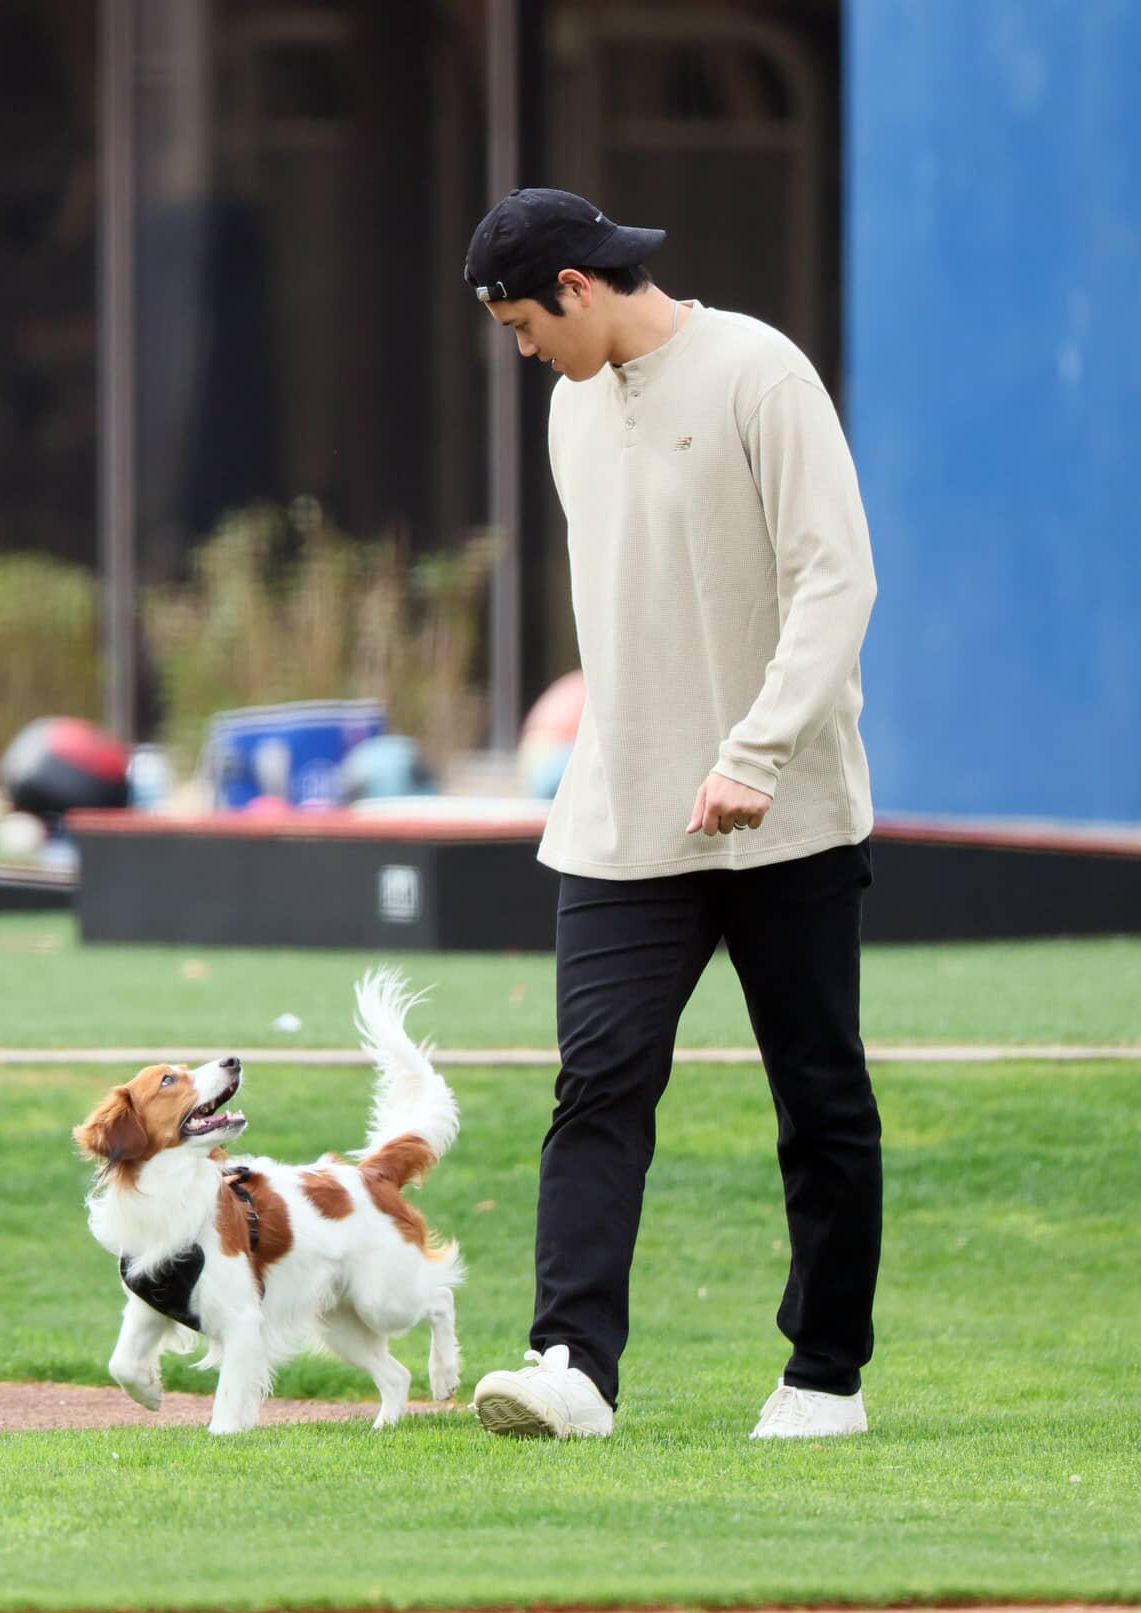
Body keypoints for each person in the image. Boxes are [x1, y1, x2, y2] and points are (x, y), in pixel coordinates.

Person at [464, 188, 883, 1441]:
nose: (524, 349)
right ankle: (570, 1366)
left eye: (524, 322)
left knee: (818, 1097)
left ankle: (822, 1378)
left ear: (578, 288)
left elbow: (836, 577)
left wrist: (755, 752)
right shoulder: (566, 411)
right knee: (595, 1086)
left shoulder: (760, 372)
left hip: (785, 815)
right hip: (620, 821)